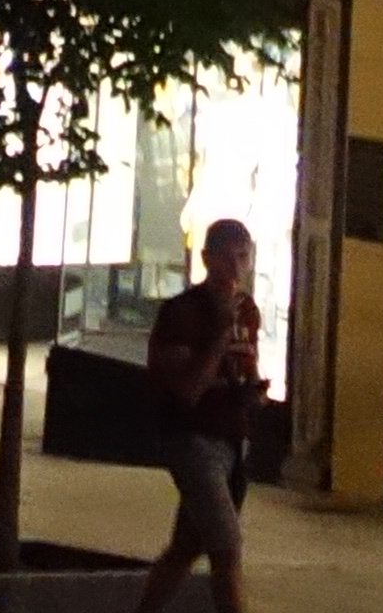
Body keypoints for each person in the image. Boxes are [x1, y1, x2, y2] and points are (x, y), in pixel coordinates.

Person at [134, 217, 264, 613]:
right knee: (226, 548)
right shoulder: (183, 313)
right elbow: (187, 390)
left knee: (187, 546)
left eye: (243, 257)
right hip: (193, 439)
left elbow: (247, 368)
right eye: (227, 259)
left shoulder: (247, 312)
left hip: (231, 438)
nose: (236, 269)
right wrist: (221, 332)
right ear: (207, 259)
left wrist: (252, 389)